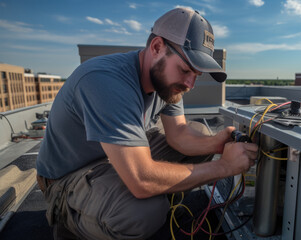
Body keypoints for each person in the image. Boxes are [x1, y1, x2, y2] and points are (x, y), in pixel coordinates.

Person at [36, 7, 258, 240]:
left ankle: (150, 197)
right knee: (143, 214)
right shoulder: (105, 81)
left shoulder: (165, 82)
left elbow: (180, 134)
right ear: (156, 48)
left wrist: (216, 143)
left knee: (199, 133)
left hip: (114, 158)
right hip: (68, 179)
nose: (190, 84)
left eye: (197, 74)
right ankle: (73, 219)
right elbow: (141, 179)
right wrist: (224, 167)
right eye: (185, 70)